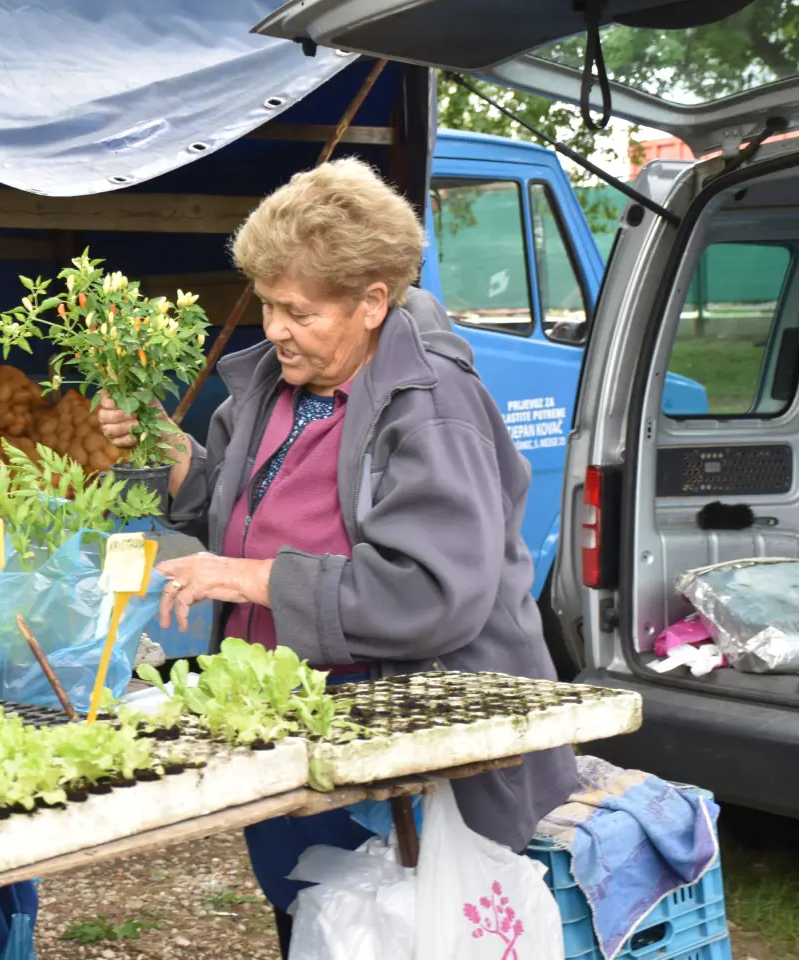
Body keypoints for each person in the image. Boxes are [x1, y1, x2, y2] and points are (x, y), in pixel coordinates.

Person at [98, 158, 578, 956]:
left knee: (385, 931)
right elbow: (246, 510)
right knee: (315, 927)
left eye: (299, 310)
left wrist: (250, 579)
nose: (275, 327)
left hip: (400, 748)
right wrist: (178, 459)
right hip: (292, 727)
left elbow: (430, 594)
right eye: (266, 304)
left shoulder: (430, 411)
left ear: (372, 303)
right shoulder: (279, 383)